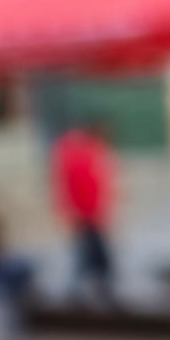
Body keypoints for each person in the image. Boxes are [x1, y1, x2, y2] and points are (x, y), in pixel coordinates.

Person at [52, 121, 117, 304]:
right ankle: (82, 292)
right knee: (89, 255)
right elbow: (82, 187)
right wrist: (84, 212)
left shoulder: (89, 152)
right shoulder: (82, 155)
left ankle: (94, 290)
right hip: (87, 216)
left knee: (93, 256)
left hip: (91, 215)